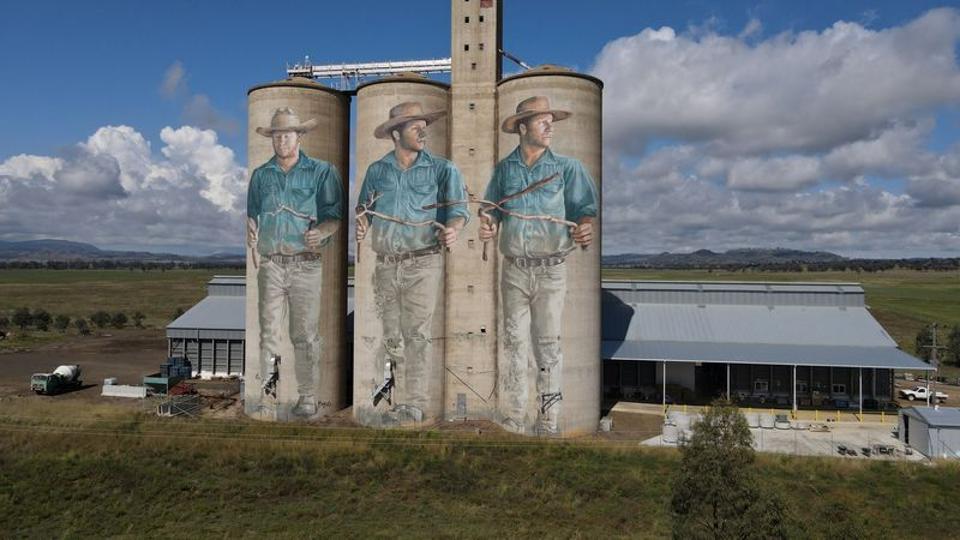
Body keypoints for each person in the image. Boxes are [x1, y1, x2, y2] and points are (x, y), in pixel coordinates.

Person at [479, 96, 598, 434]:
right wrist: (487, 222)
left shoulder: (568, 168)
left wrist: (585, 225)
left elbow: (584, 210)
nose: (549, 126)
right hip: (513, 268)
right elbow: (491, 208)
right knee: (514, 342)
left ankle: (548, 417)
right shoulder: (503, 170)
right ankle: (515, 416)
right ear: (522, 127)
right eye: (540, 120)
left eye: (551, 120)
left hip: (550, 269)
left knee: (547, 344)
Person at [356, 101, 469, 422]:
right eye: (414, 126)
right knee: (392, 334)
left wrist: (453, 228)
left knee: (416, 334)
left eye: (424, 125)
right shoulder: (377, 171)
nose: (423, 131)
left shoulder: (444, 169)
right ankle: (397, 399)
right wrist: (361, 220)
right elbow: (363, 208)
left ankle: (414, 405)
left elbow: (459, 210)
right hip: (386, 264)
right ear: (396, 133)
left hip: (422, 263)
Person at [247, 107, 343, 418]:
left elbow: (334, 217)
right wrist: (252, 232)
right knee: (268, 334)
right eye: (276, 135)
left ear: (299, 136)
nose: (281, 140)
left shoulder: (322, 172)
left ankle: (307, 396)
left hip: (305, 265)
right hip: (271, 265)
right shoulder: (261, 176)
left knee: (304, 335)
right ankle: (268, 395)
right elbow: (252, 215)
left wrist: (323, 232)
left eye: (287, 134)